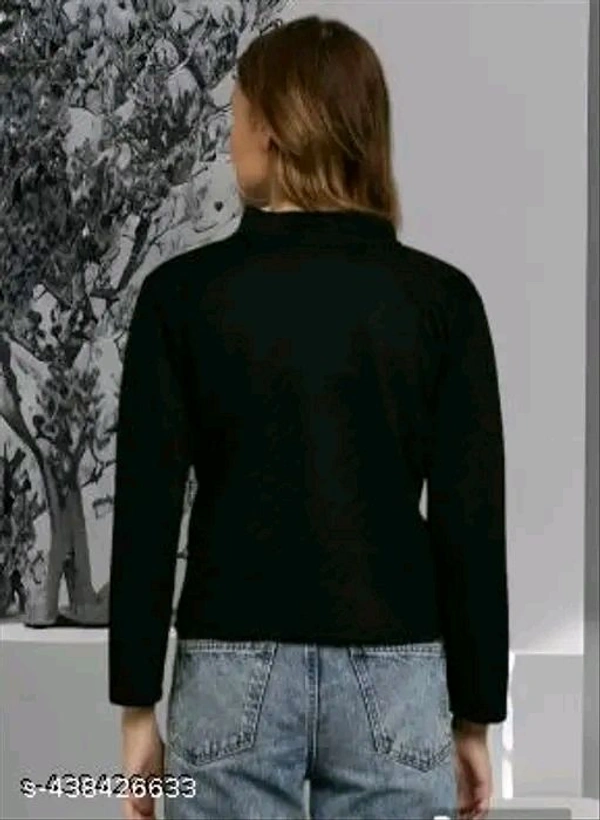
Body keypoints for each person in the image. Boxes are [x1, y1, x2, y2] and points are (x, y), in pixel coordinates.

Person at [108, 15, 509, 820]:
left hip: (228, 666)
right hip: (395, 672)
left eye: (236, 116)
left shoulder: (182, 298)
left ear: (274, 128)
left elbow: (148, 512)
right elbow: (468, 523)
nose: (230, 140)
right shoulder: (442, 302)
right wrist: (475, 717)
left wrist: (137, 707)